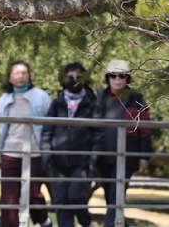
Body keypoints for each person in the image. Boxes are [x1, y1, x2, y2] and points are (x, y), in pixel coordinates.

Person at [40, 62, 102, 227]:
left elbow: (97, 133)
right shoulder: (57, 103)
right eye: (70, 76)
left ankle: (86, 223)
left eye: (79, 77)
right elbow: (47, 131)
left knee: (75, 197)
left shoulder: (92, 103)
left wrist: (93, 158)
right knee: (60, 201)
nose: (74, 80)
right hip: (58, 161)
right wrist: (46, 154)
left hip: (81, 161)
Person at [0, 60, 53, 227]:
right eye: (16, 73)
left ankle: (44, 220)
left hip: (33, 153)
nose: (20, 76)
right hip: (10, 153)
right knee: (8, 198)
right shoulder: (4, 99)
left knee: (34, 193)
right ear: (9, 77)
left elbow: (49, 123)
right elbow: (1, 125)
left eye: (24, 72)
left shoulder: (40, 96)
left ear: (29, 76)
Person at [96, 60, 152, 227]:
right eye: (113, 75)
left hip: (127, 156)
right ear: (108, 77)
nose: (117, 79)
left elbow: (145, 130)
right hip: (103, 154)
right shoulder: (99, 97)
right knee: (111, 198)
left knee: (116, 197)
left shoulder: (137, 101)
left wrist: (145, 155)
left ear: (128, 78)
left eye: (122, 76)